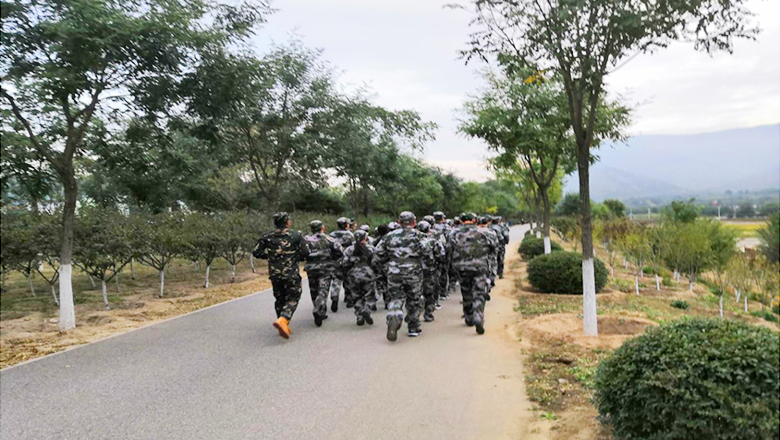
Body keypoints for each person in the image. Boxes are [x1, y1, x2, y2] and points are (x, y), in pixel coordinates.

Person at [253, 212, 310, 339]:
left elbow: (256, 252)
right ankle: (284, 319)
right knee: (293, 297)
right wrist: (294, 257)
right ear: (287, 222)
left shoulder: (267, 236)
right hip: (291, 273)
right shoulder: (296, 235)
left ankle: (282, 323)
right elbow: (306, 252)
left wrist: (271, 256)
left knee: (280, 299)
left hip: (275, 274)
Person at [373, 211, 425, 340]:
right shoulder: (419, 236)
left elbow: (377, 255)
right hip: (414, 271)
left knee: (396, 298)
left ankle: (394, 315)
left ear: (398, 222)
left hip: (394, 270)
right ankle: (413, 327)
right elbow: (428, 251)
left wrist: (385, 266)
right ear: (414, 221)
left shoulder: (389, 236)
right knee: (414, 299)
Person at [449, 212, 495, 335]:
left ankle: (469, 317)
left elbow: (449, 249)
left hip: (461, 267)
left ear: (460, 220)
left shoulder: (453, 233)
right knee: (479, 293)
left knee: (466, 291)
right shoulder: (485, 232)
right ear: (474, 220)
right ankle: (478, 316)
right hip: (480, 266)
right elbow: (493, 247)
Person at [303, 220, 343, 327]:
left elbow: (301, 252)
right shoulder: (329, 239)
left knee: (313, 289)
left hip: (311, 267)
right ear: (322, 228)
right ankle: (319, 307)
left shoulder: (305, 239)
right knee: (323, 289)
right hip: (325, 267)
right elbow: (340, 251)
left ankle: (320, 311)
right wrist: (333, 259)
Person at [341, 230, 377, 326]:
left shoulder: (349, 249)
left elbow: (344, 263)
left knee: (356, 296)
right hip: (368, 274)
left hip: (353, 274)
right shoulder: (371, 248)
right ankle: (366, 309)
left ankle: (360, 315)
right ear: (365, 238)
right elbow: (376, 262)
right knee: (369, 295)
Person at [417, 220, 445, 322]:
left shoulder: (412, 240)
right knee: (429, 292)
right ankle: (428, 314)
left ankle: (414, 315)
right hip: (429, 270)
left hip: (414, 270)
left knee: (414, 293)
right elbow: (441, 255)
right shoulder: (432, 241)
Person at [329, 217, 355, 311]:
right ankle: (349, 300)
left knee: (336, 280)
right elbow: (353, 247)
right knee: (349, 280)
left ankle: (334, 296)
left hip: (335, 261)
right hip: (347, 261)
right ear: (346, 225)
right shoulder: (350, 235)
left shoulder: (332, 235)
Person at [372, 224, 391, 309]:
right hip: (388, 265)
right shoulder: (390, 240)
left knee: (379, 284)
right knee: (388, 284)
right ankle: (387, 303)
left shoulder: (375, 241)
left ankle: (373, 301)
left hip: (378, 265)